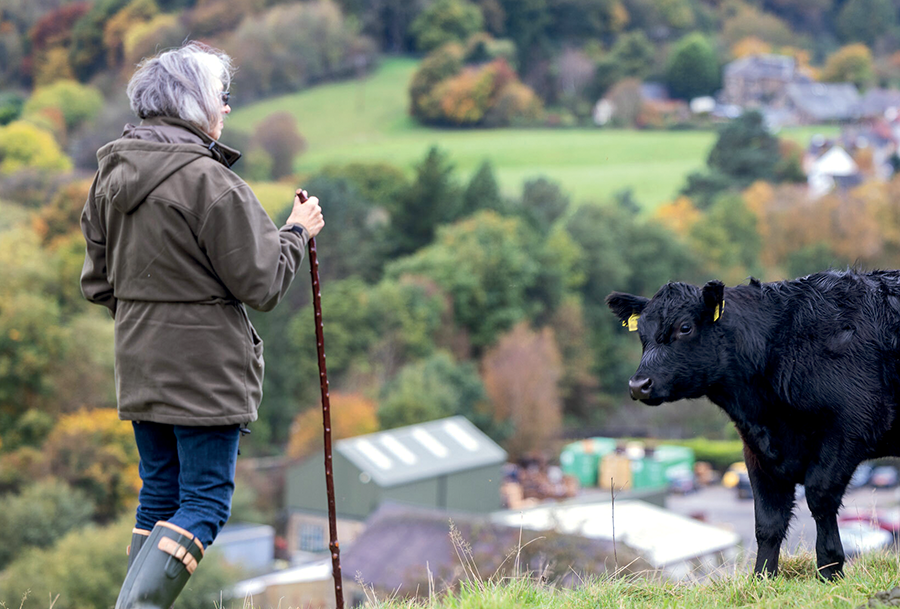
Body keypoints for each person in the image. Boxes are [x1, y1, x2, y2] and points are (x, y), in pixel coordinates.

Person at [79, 41, 324, 609]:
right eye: (223, 96)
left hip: (139, 367)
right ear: (193, 104)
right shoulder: (209, 183)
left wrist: (153, 319)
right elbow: (262, 282)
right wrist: (297, 231)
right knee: (205, 504)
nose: (228, 109)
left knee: (160, 496)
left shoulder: (107, 180)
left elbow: (97, 284)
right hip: (205, 374)